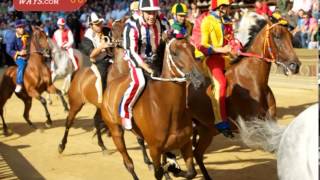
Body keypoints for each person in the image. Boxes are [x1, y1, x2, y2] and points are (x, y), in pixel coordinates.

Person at [191, 0, 236, 138]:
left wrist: (236, 46)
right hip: (211, 58)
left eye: (228, 6)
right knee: (221, 83)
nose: (228, 9)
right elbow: (202, 46)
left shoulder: (227, 21)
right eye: (226, 6)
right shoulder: (206, 21)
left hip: (226, 58)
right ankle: (220, 121)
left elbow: (231, 39)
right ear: (220, 7)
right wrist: (221, 49)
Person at [120, 0, 163, 130]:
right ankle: (125, 111)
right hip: (136, 60)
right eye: (149, 13)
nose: (152, 16)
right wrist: (146, 67)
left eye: (154, 12)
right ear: (141, 12)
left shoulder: (158, 23)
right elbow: (131, 52)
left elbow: (158, 43)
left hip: (153, 59)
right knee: (140, 82)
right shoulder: (131, 26)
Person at [80, 12, 113, 103]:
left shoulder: (107, 30)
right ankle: (102, 98)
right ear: (91, 25)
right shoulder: (87, 37)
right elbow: (91, 54)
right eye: (97, 24)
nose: (99, 25)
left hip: (111, 57)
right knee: (102, 74)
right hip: (96, 61)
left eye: (100, 23)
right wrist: (101, 46)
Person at [5, 19, 30, 93]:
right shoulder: (12, 37)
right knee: (22, 65)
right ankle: (19, 83)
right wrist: (19, 53)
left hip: (29, 54)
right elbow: (8, 50)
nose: (22, 29)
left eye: (23, 27)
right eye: (20, 27)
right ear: (16, 29)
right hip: (19, 57)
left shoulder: (27, 34)